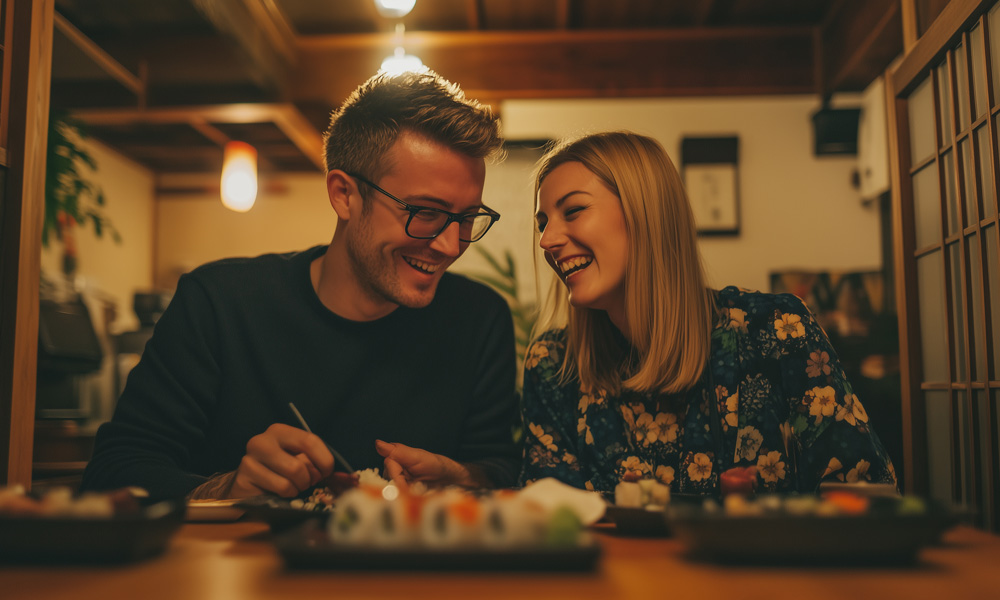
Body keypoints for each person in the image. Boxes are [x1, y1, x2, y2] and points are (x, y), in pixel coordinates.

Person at [81, 69, 520, 501]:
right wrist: (227, 490)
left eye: (466, 219)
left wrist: (459, 477)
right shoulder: (219, 303)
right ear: (344, 194)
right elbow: (115, 472)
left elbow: (499, 468)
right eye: (425, 212)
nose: (449, 244)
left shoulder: (479, 319)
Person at [519, 131, 897, 497]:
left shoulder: (776, 331)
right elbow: (549, 525)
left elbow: (865, 500)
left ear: (645, 213)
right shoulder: (554, 365)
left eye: (573, 211)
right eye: (543, 223)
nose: (546, 240)